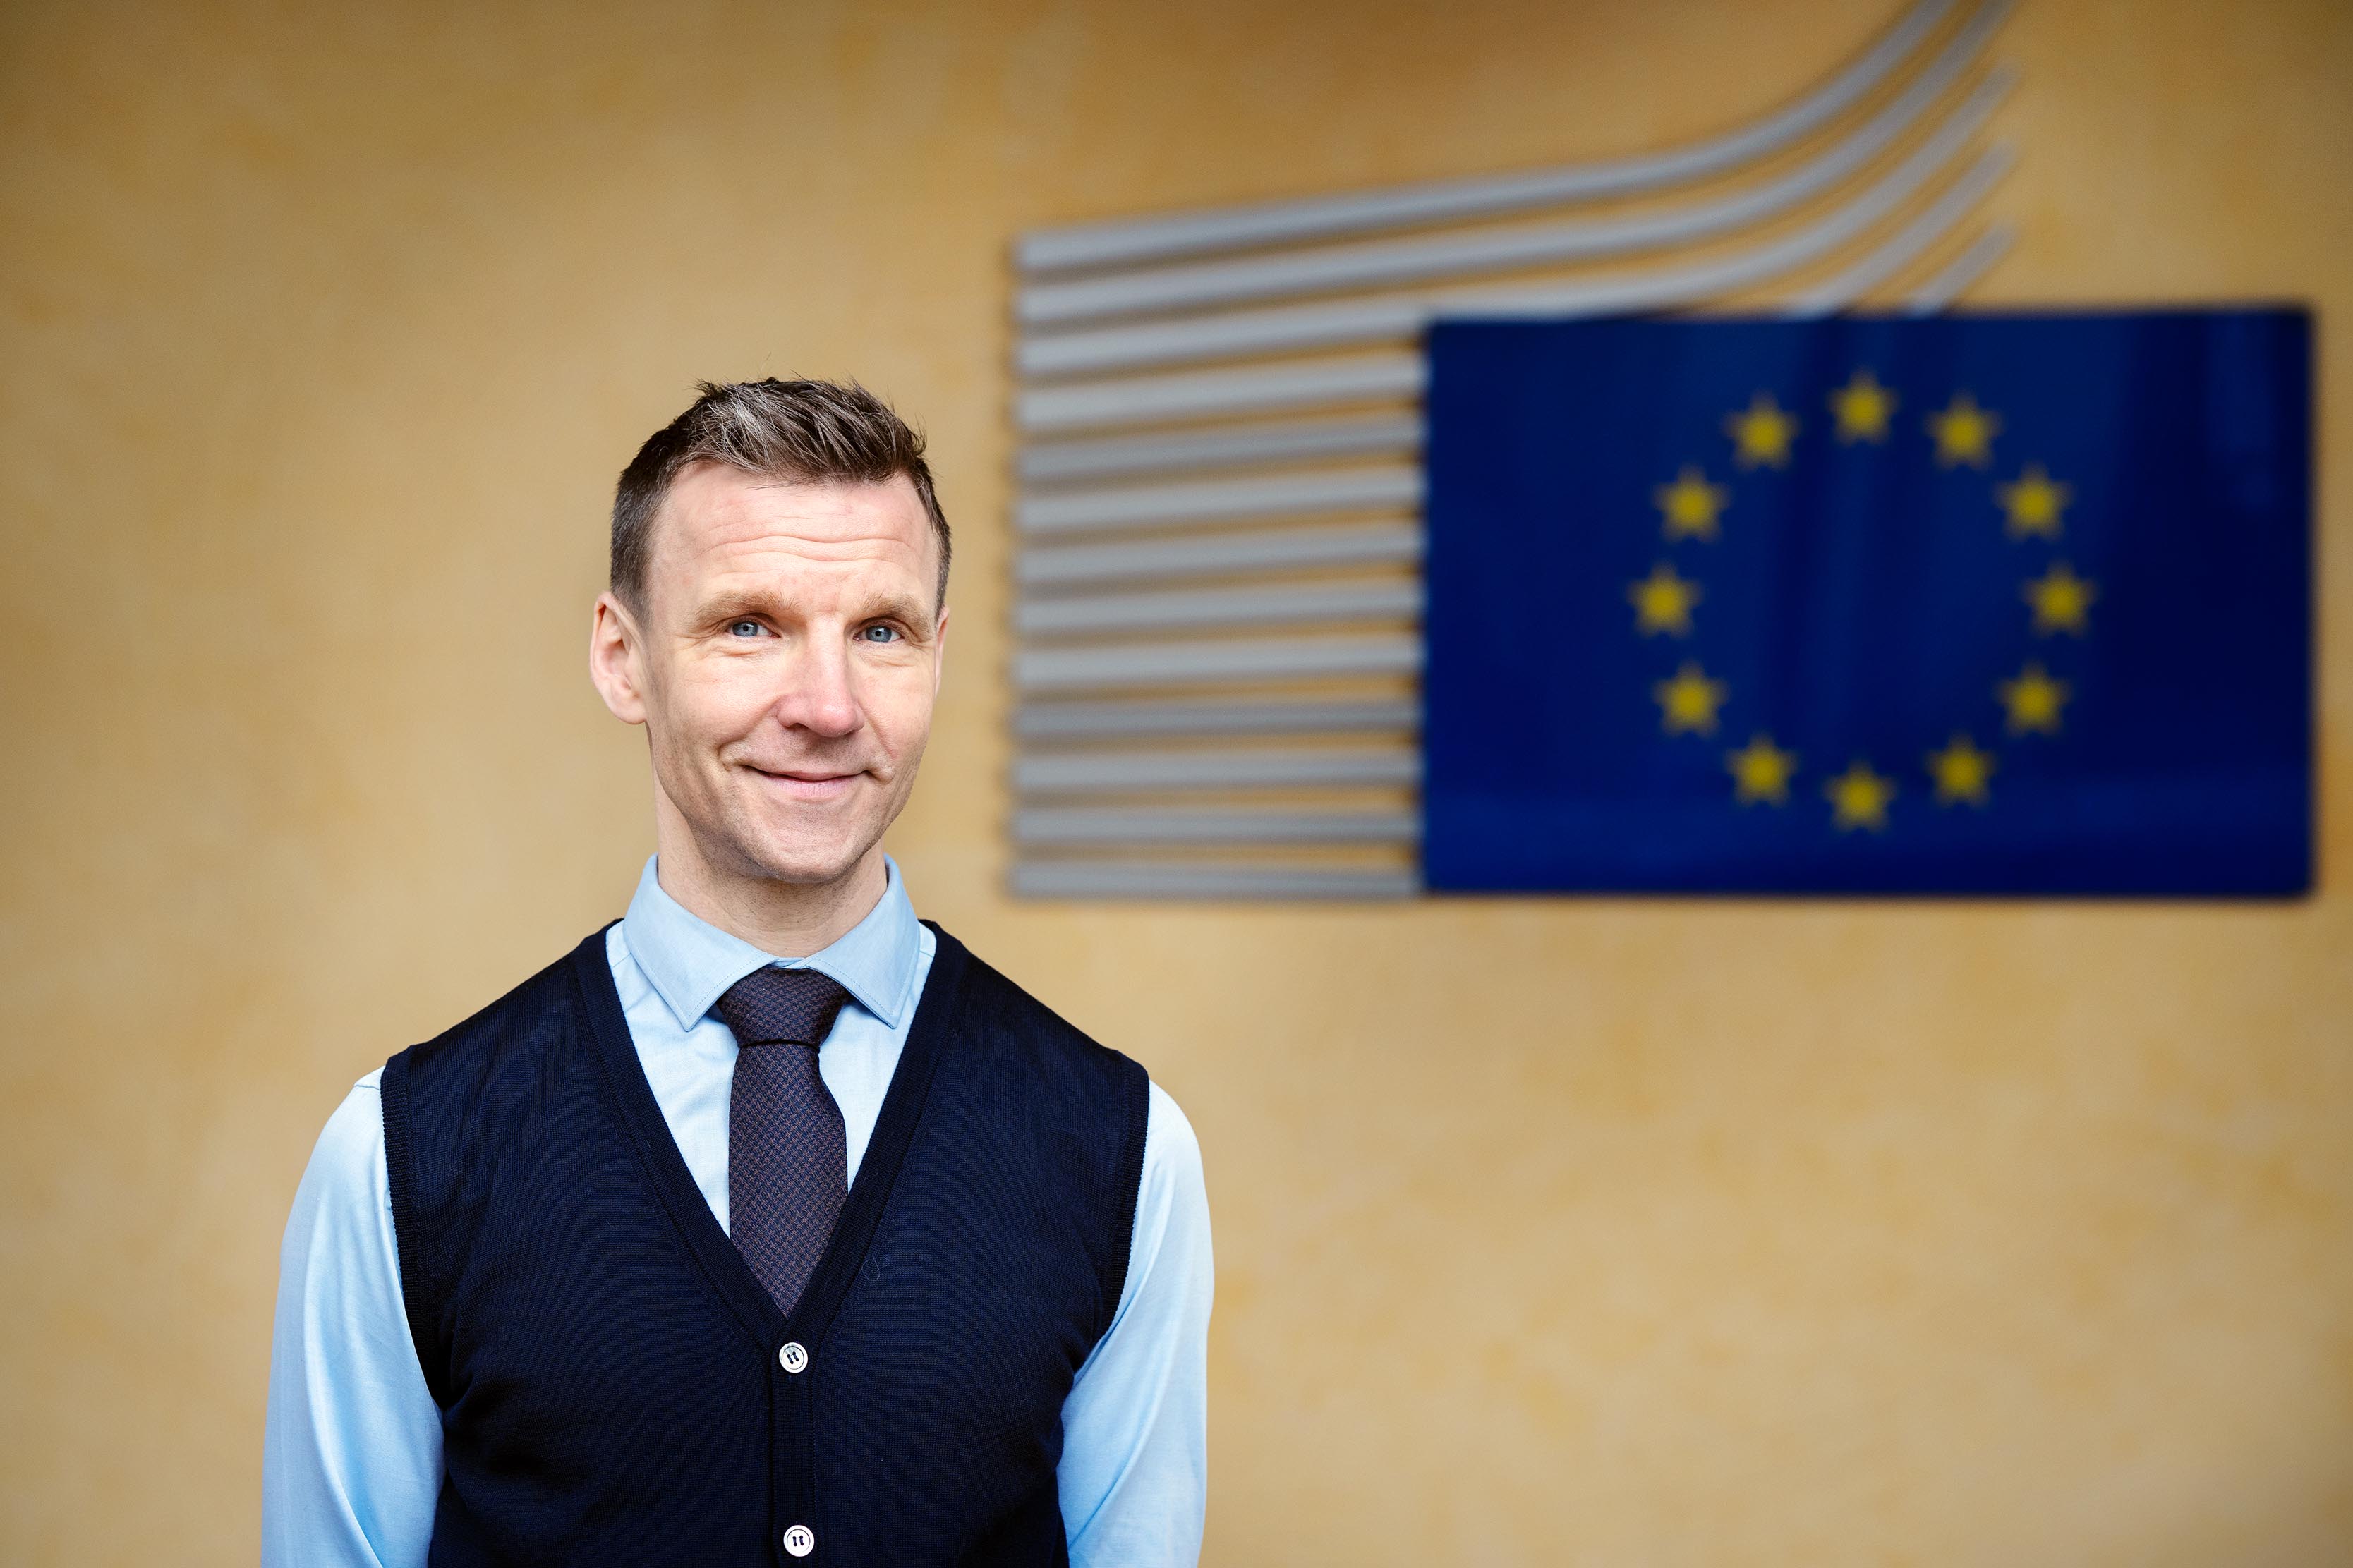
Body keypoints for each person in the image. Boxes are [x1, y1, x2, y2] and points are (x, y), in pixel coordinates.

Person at [260, 379, 1212, 1567]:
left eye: (880, 632)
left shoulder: (1126, 1152)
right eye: (750, 626)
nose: (827, 707)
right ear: (623, 659)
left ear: (938, 657)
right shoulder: (401, 1156)